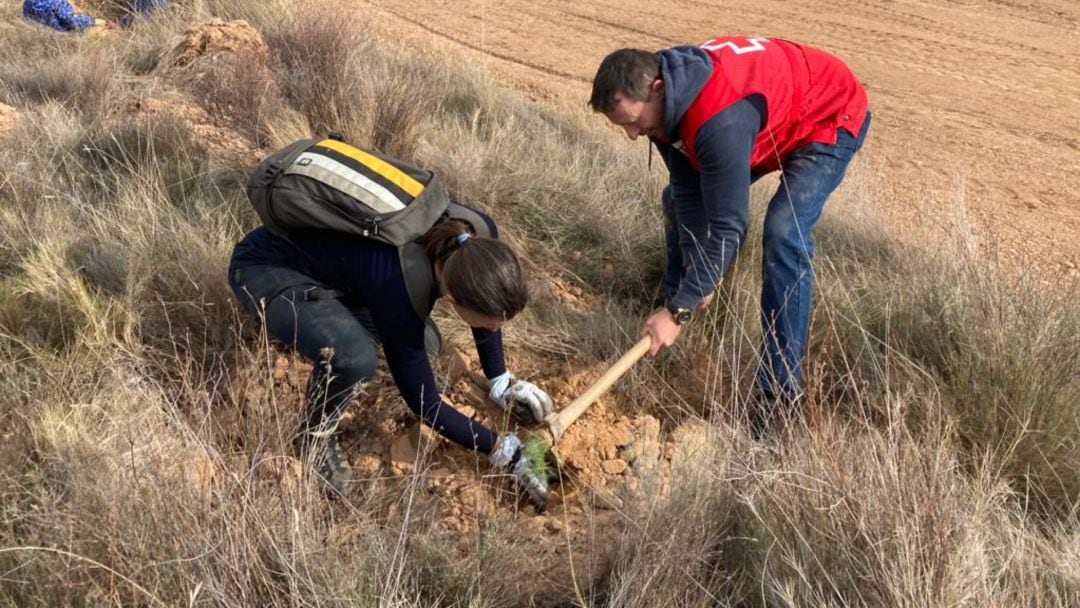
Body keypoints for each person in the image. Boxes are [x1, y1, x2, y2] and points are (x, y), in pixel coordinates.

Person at [228, 146, 553, 503]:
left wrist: (500, 381)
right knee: (355, 359)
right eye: (487, 325)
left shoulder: (477, 235)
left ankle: (335, 313)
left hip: (343, 274)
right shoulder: (399, 284)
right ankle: (314, 435)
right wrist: (503, 450)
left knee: (425, 345)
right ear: (452, 300)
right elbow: (426, 404)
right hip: (268, 270)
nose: (492, 331)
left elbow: (482, 292)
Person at [589, 36, 870, 431]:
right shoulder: (666, 100)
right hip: (769, 113)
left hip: (827, 114)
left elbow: (728, 225)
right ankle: (671, 314)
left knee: (784, 231)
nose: (633, 135)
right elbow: (688, 188)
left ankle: (778, 396)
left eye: (634, 123)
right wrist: (694, 271)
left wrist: (680, 310)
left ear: (656, 89)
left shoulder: (715, 119)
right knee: (676, 201)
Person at [22, 0, 99, 33]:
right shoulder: (57, 3)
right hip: (59, 37)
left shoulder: (27, 2)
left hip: (35, 33)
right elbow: (68, 19)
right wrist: (95, 21)